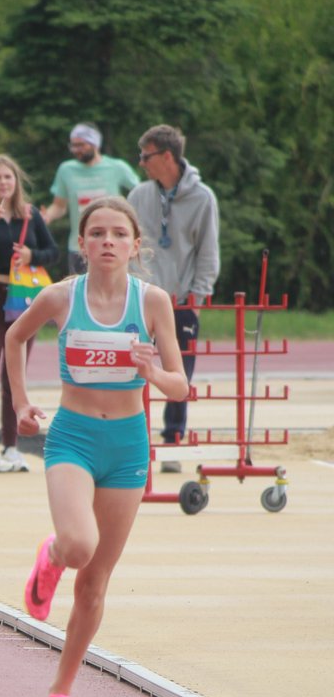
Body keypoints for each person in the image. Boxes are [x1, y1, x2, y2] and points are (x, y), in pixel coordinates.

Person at [5, 196, 188, 697]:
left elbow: (181, 385)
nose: (108, 241)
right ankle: (52, 554)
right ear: (82, 244)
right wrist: (20, 404)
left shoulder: (152, 302)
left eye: (118, 234)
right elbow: (16, 338)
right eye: (97, 233)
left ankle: (62, 693)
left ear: (135, 245)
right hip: (73, 438)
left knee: (95, 582)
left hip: (128, 445)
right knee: (79, 546)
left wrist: (153, 373)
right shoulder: (61, 296)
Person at [128, 124, 220, 472]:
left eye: (146, 156)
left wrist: (198, 295)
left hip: (180, 300)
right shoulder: (139, 195)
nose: (141, 163)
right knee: (132, 368)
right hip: (141, 296)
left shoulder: (202, 198)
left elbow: (208, 251)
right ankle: (135, 440)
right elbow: (129, 243)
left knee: (178, 371)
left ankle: (173, 440)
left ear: (167, 156)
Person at [0, 154, 59, 473]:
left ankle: (11, 446)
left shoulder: (30, 215)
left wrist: (33, 255)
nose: (3, 182)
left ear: (16, 181)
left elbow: (53, 252)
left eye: (8, 177)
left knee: (13, 376)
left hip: (23, 297)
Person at [44, 122, 140, 275]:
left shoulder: (116, 167)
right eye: (73, 146)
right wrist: (46, 216)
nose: (76, 150)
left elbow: (141, 192)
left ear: (95, 143)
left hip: (111, 245)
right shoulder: (66, 170)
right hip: (79, 247)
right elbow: (59, 206)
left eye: (81, 145)